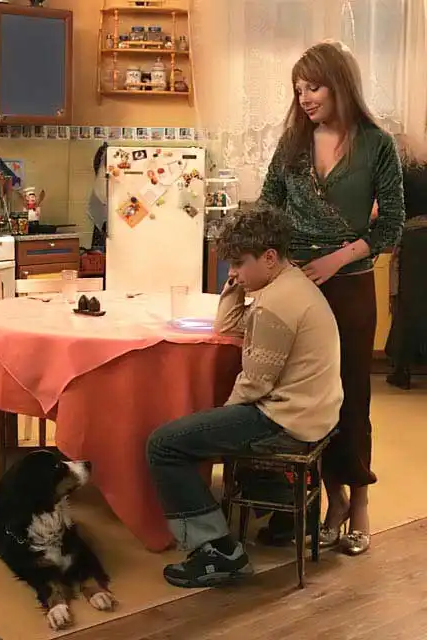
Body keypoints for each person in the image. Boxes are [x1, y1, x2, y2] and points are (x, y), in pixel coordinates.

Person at [257, 41, 405, 555]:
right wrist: (261, 263)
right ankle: (331, 499)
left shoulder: (377, 145)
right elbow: (268, 208)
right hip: (295, 289)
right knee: (307, 400)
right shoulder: (292, 145)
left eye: (313, 87)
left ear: (339, 84)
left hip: (350, 286)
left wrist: (337, 259)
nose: (304, 98)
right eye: (298, 89)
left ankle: (359, 503)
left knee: (352, 396)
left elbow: (391, 224)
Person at [146, 205, 343, 589]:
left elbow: (253, 385)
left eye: (238, 263)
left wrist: (218, 424)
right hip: (314, 411)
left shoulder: (275, 303)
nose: (231, 271)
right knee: (198, 432)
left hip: (287, 419)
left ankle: (218, 551)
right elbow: (228, 326)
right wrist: (237, 284)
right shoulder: (290, 284)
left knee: (164, 445)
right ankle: (282, 509)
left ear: (269, 257)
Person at [385, 134, 427, 389]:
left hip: (414, 242)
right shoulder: (424, 170)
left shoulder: (399, 174)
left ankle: (402, 370)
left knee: (406, 303)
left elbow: (384, 211)